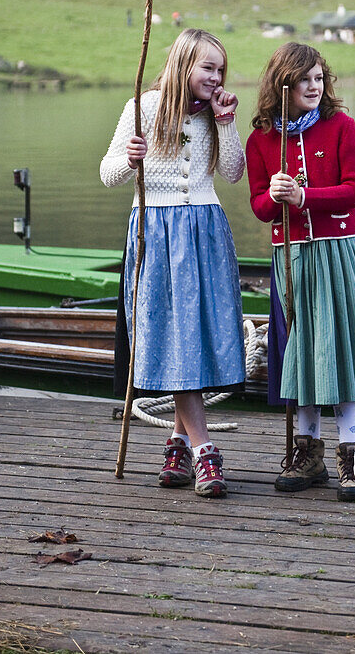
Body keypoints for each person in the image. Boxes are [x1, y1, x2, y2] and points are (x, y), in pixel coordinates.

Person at [245, 42, 355, 501]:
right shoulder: (261, 140)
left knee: (345, 351)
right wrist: (275, 197)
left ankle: (350, 456)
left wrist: (305, 198)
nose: (315, 87)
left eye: (319, 78)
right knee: (303, 353)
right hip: (291, 258)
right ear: (281, 85)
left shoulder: (342, 127)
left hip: (340, 252)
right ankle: (307, 454)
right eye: (304, 80)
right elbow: (259, 208)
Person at [100, 28, 246, 498]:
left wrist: (226, 122)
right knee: (175, 337)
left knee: (195, 337)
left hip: (203, 231)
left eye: (221, 69)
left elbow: (233, 172)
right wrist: (130, 157)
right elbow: (107, 175)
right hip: (155, 234)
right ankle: (205, 451)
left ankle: (179, 443)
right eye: (208, 67)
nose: (216, 76)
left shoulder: (215, 115)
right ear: (184, 65)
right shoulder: (141, 109)